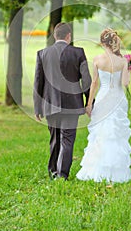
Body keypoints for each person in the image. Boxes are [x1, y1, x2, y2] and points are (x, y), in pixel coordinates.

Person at [33, 22, 91, 180]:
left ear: (54, 36)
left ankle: (53, 172)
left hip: (49, 104)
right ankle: (62, 174)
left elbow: (38, 82)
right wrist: (89, 102)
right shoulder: (78, 52)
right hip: (72, 105)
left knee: (54, 138)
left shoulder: (42, 53)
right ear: (68, 36)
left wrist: (37, 108)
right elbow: (86, 81)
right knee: (67, 139)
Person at [76, 28, 131, 183]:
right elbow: (125, 83)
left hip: (102, 99)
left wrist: (89, 104)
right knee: (115, 134)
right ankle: (116, 173)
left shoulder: (97, 60)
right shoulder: (123, 61)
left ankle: (96, 169)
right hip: (118, 99)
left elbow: (94, 83)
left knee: (100, 134)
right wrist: (130, 68)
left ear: (103, 43)